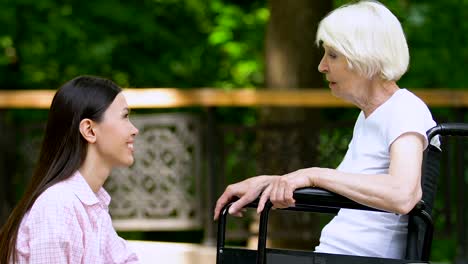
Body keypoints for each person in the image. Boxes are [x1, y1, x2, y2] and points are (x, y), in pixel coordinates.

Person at [214, 0, 439, 259]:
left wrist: (314, 175)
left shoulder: (405, 109)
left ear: (364, 57)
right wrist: (269, 183)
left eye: (333, 55)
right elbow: (344, 187)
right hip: (334, 255)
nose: (322, 66)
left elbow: (403, 194)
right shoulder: (370, 117)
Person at [0, 76, 140, 263]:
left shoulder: (90, 205)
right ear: (89, 130)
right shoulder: (58, 207)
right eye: (124, 116)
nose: (134, 130)